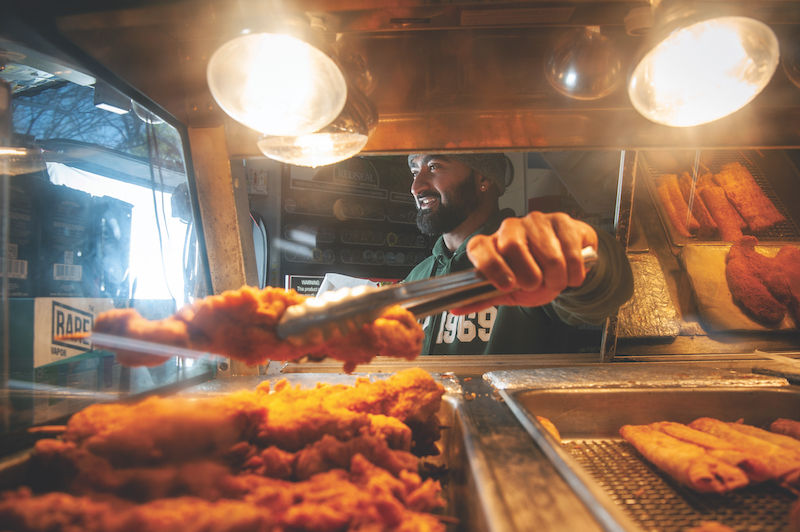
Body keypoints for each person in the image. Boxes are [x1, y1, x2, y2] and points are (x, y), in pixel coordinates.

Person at [404, 153, 634, 355]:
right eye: (415, 171)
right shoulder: (417, 277)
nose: (416, 187)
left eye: (434, 166)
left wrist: (583, 251)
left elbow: (608, 291)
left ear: (483, 178)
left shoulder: (530, 255)